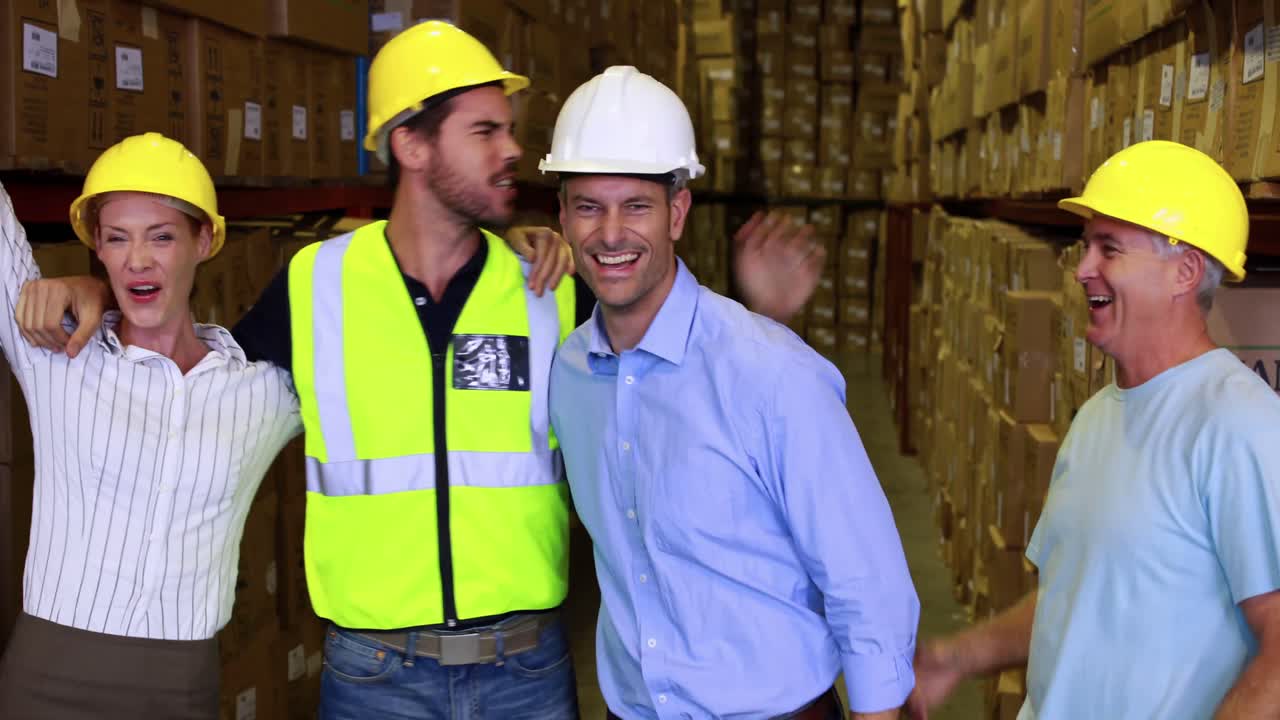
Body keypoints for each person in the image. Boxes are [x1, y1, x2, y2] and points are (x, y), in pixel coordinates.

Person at [17, 25, 824, 720]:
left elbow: (673, 400)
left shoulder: (548, 283)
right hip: (374, 678)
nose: (513, 151)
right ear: (411, 143)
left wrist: (766, 322)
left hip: (527, 670)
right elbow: (187, 370)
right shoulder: (314, 286)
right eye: (485, 132)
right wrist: (100, 293)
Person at [544, 66, 920, 720]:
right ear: (562, 217)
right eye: (587, 206)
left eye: (636, 205)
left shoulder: (769, 373)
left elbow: (867, 582)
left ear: (678, 213)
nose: (609, 234)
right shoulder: (569, 374)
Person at [906, 141, 1280, 719]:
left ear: (1183, 271)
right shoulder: (1098, 414)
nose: (1082, 270)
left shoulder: (1237, 424)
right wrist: (955, 657)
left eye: (1110, 249)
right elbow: (1076, 598)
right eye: (1086, 248)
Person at [0, 133, 301, 718]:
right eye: (117, 239)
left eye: (161, 236)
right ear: (100, 250)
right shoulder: (59, 354)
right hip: (43, 679)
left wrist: (523, 246)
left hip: (180, 688)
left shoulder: (266, 390)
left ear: (205, 239)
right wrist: (82, 291)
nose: (138, 259)